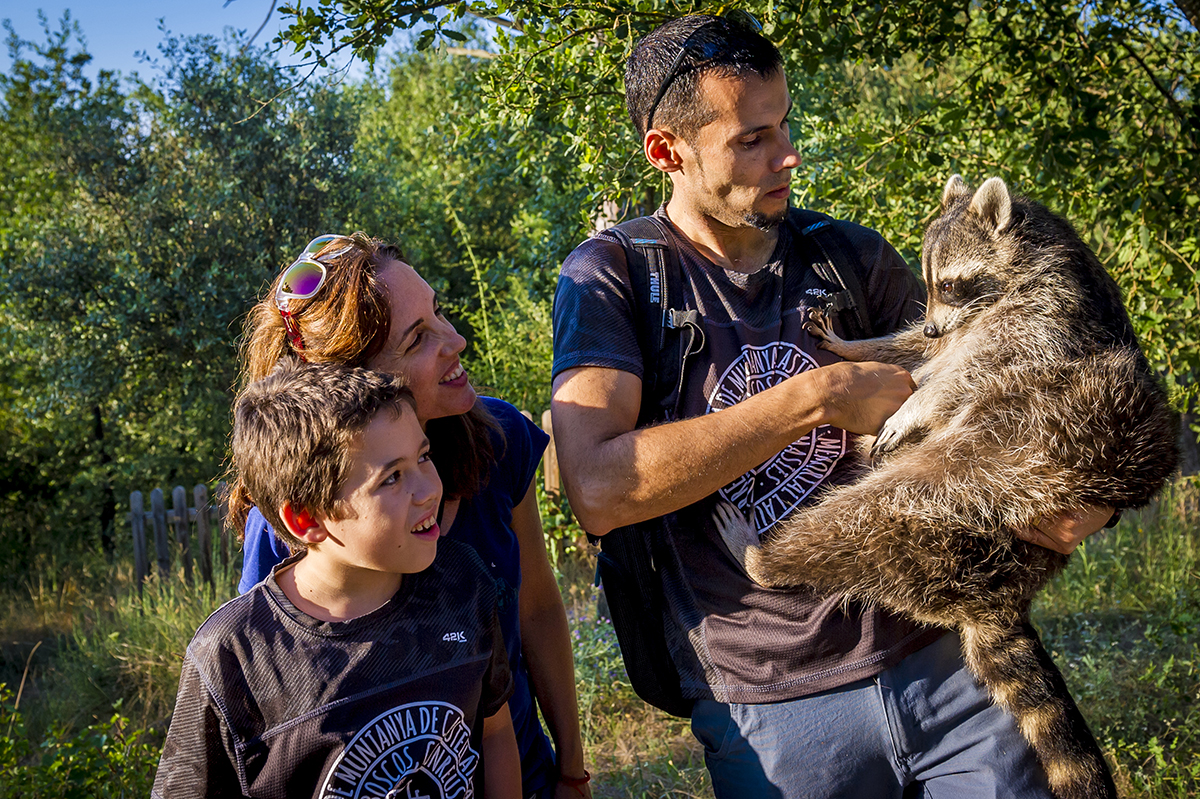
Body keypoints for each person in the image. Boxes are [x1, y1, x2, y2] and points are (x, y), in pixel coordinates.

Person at [550, 14, 1115, 798]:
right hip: (774, 712)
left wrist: (1087, 495)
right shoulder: (613, 278)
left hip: (952, 663)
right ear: (666, 152)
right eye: (751, 139)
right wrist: (813, 398)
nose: (787, 154)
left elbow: (1008, 392)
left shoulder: (853, 257)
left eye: (784, 123)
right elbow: (600, 488)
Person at [236, 233, 589, 799]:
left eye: (439, 313)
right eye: (418, 339)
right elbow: (270, 696)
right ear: (353, 386)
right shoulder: (292, 525)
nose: (459, 341)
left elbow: (538, 608)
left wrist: (572, 769)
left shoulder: (498, 441)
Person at [153, 362, 520, 798]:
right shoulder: (233, 656)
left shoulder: (464, 584)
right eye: (393, 477)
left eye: (424, 456)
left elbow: (494, 732)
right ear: (306, 518)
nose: (429, 489)